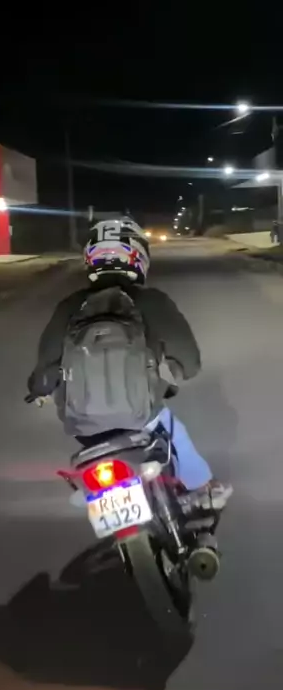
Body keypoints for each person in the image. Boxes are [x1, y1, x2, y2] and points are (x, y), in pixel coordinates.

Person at [27, 219, 232, 516]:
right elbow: (189, 361)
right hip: (142, 415)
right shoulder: (151, 301)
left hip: (84, 424)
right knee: (172, 430)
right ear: (137, 256)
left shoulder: (70, 306)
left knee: (94, 456)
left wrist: (40, 390)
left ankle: (104, 503)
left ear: (91, 258)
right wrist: (176, 373)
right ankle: (203, 488)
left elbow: (46, 365)